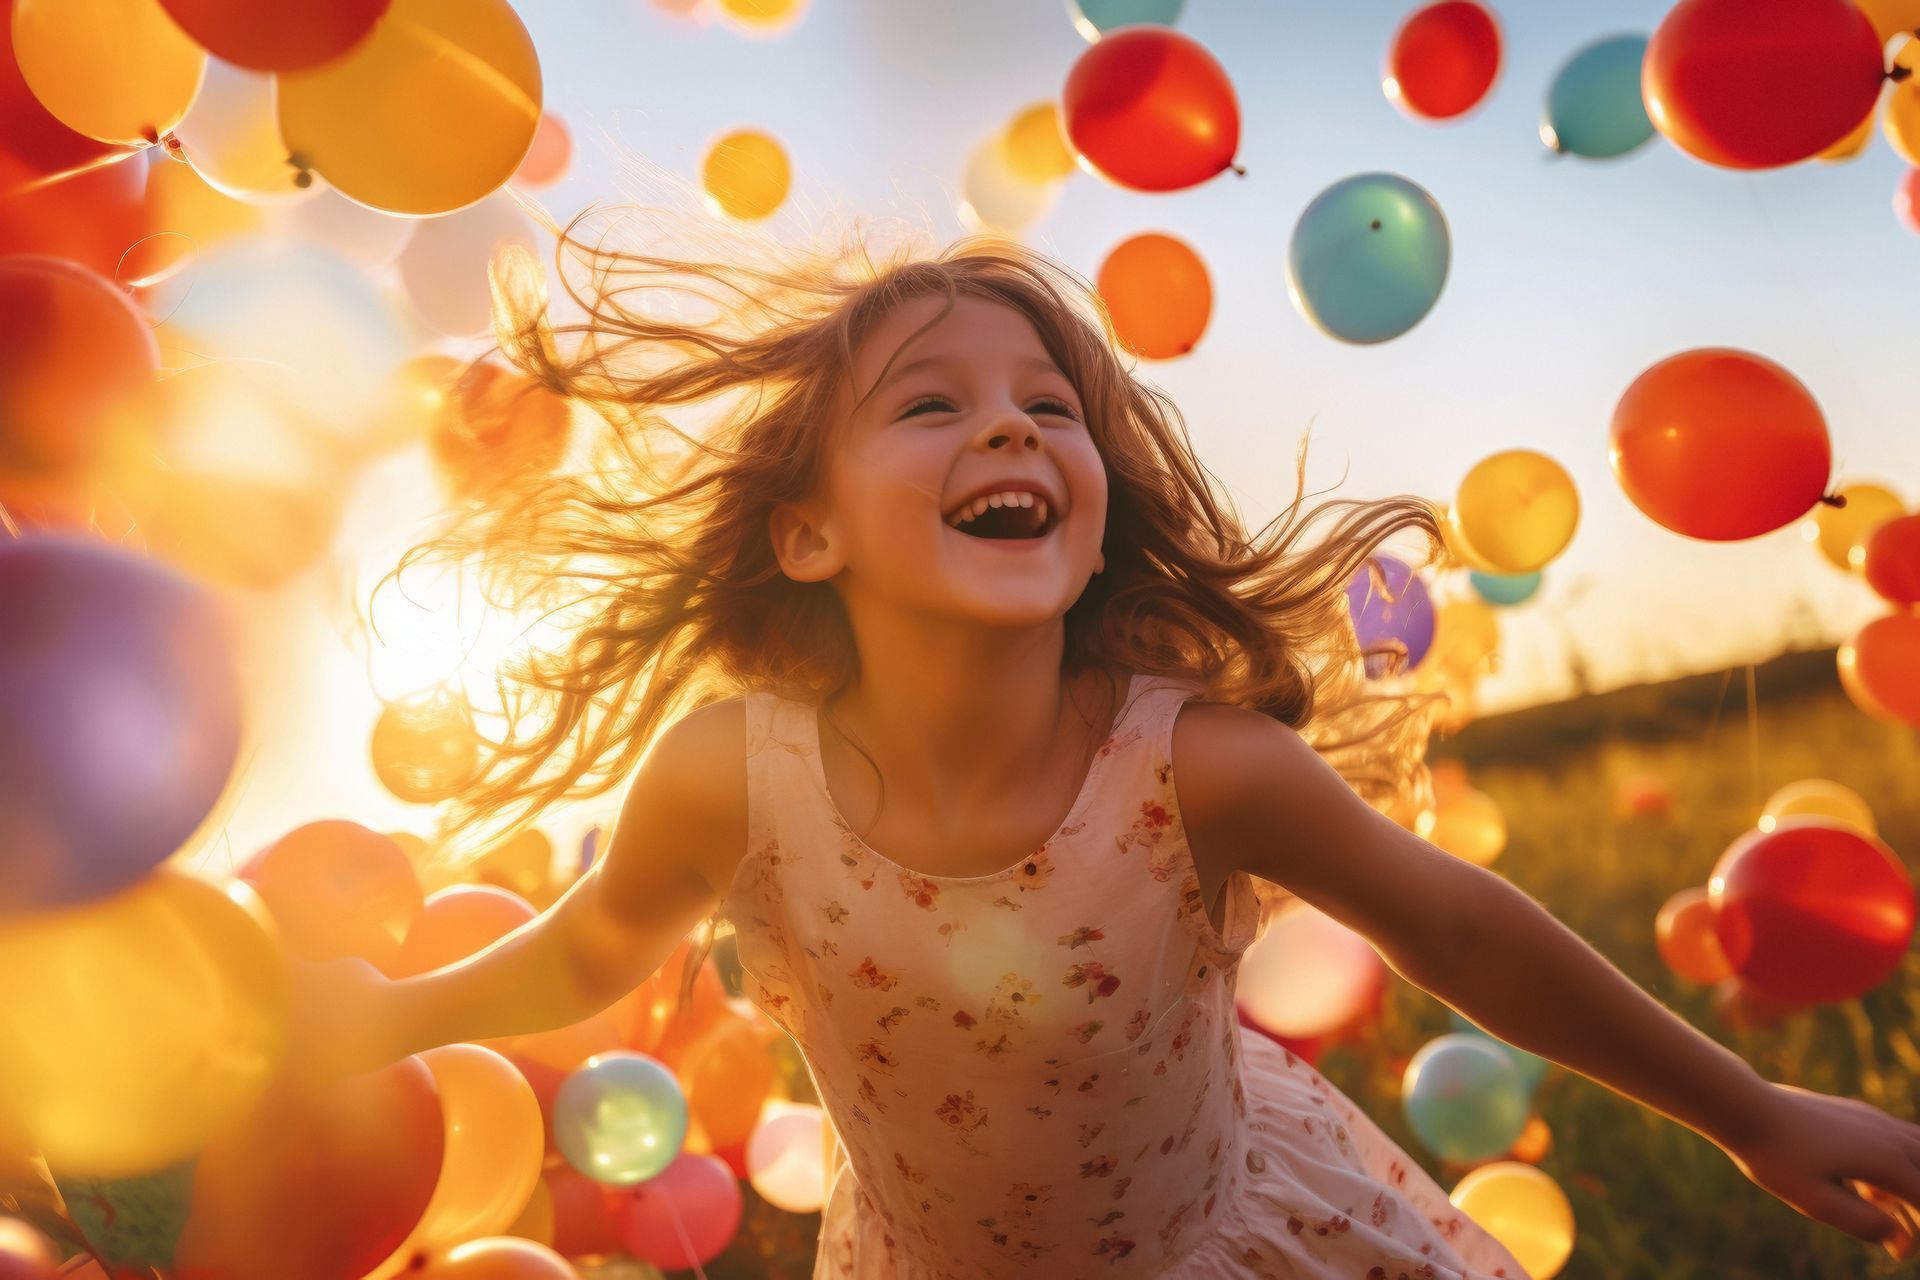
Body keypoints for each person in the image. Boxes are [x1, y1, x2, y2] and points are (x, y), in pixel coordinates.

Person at [293, 217, 1920, 1278]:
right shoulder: (737, 779)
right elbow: (590, 942)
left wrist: (1751, 1113)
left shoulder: (1194, 770)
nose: (1009, 425)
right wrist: (388, 1018)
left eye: (1050, 406)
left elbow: (1460, 926)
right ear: (805, 537)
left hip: (1232, 1242)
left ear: (1092, 512)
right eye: (930, 406)